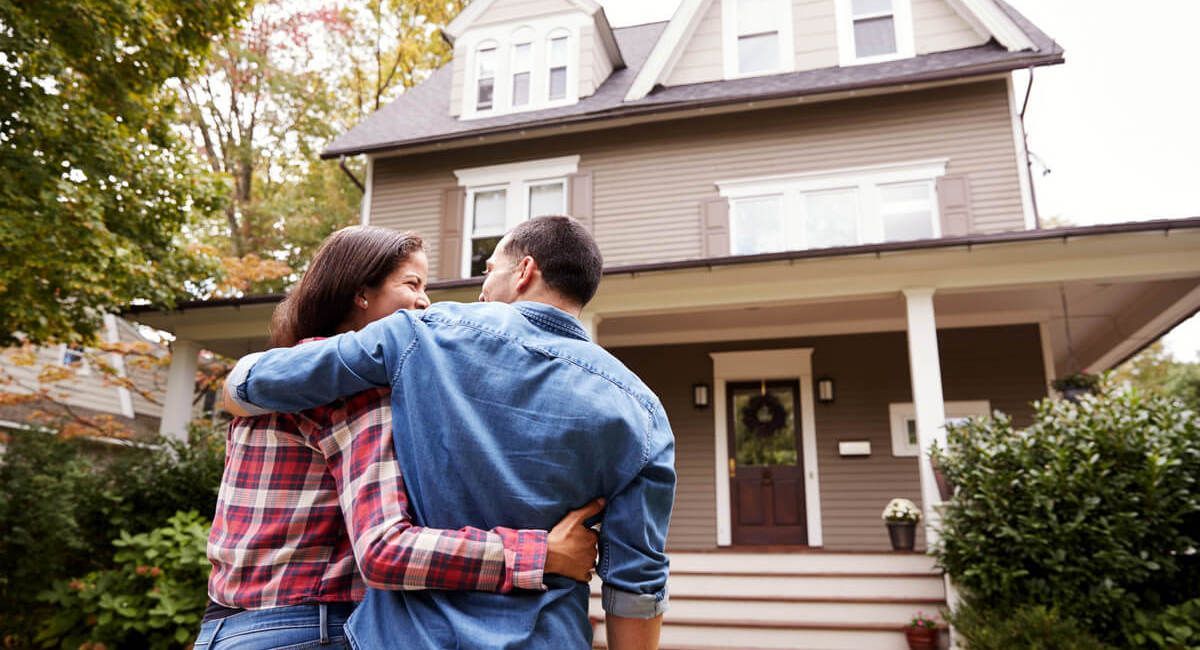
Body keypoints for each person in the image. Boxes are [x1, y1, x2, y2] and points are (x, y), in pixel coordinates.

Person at [225, 216, 675, 649]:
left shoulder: (422, 336)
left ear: (524, 272)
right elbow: (637, 581)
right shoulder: (643, 411)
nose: (481, 288)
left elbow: (263, 380)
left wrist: (237, 385)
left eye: (489, 269)